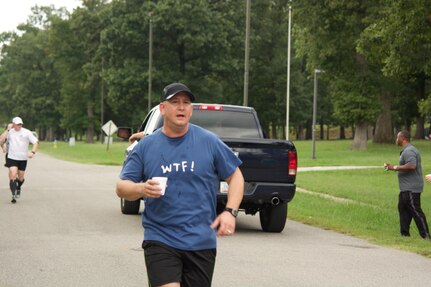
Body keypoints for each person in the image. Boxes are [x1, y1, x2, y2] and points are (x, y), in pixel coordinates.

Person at [116, 82, 244, 287]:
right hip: (160, 238)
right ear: (163, 108)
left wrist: (230, 212)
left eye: (186, 102)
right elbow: (122, 187)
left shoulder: (209, 141)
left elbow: (236, 177)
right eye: (175, 102)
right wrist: (142, 188)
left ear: (191, 110)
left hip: (201, 241)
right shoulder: (146, 146)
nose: (181, 107)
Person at [384, 130, 430, 239]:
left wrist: (394, 167)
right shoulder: (406, 150)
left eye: (397, 137)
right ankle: (404, 235)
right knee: (403, 209)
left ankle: (426, 236)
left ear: (403, 138)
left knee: (415, 211)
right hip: (405, 188)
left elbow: (412, 165)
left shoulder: (409, 151)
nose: (396, 139)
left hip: (411, 188)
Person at [4, 117, 39, 203]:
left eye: (21, 124)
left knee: (20, 178)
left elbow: (36, 142)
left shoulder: (27, 132)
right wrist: (7, 130)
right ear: (13, 124)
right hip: (12, 157)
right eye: (17, 124)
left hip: (22, 158)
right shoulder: (10, 132)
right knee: (12, 174)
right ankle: (13, 195)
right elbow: (1, 140)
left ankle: (18, 186)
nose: (19, 125)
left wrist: (33, 152)